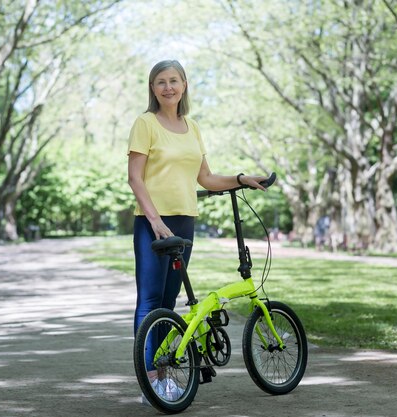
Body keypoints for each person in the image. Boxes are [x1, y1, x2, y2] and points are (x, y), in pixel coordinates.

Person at [127, 59, 267, 402]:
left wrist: (239, 179)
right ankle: (152, 382)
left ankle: (162, 374)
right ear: (152, 88)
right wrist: (155, 220)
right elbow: (135, 177)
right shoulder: (145, 123)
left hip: (184, 221)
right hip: (152, 223)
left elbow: (205, 178)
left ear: (184, 85)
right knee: (149, 302)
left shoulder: (192, 127)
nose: (168, 87)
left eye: (174, 80)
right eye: (161, 82)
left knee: (169, 301)